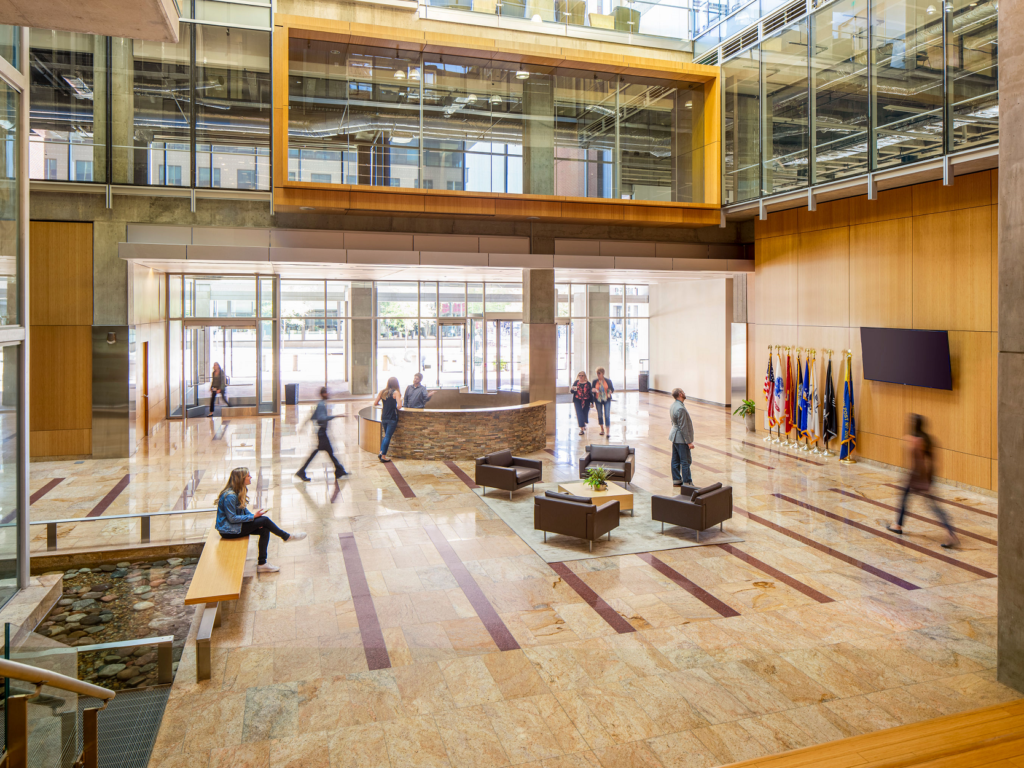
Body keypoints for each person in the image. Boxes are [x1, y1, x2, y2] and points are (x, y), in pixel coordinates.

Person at [886, 414, 959, 548]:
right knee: (910, 499)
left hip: (918, 477)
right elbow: (932, 462)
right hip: (922, 476)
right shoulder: (928, 439)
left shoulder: (913, 440)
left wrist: (922, 480)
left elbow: (918, 462)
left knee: (932, 505)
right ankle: (898, 524)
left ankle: (950, 533)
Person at [216, 467, 306, 573]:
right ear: (241, 479)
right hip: (229, 531)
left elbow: (243, 511)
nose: (251, 477)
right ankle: (286, 536)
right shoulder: (230, 496)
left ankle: (262, 563)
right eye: (248, 476)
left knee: (264, 528)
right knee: (264, 520)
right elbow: (232, 518)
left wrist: (254, 517)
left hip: (235, 527)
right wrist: (253, 518)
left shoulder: (238, 491)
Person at [296, 387, 348, 481]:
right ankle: (301, 471)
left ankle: (339, 470)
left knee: (329, 451)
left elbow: (312, 416)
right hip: (321, 432)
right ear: (323, 394)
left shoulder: (320, 404)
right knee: (324, 451)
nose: (329, 394)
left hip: (321, 432)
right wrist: (336, 415)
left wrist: (304, 425)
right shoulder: (321, 405)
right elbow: (322, 417)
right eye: (327, 393)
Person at [669, 388, 695, 488]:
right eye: (683, 392)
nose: (684, 393)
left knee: (675, 459)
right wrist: (688, 442)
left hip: (674, 436)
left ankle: (676, 480)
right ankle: (687, 482)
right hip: (681, 439)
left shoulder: (673, 405)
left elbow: (673, 422)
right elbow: (683, 427)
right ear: (680, 394)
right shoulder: (681, 408)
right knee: (685, 460)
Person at [373, 376, 402, 462]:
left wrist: (384, 406)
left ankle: (381, 452)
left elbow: (375, 403)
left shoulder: (382, 392)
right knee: (387, 436)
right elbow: (399, 406)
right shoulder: (396, 393)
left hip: (384, 417)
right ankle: (383, 456)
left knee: (386, 436)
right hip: (392, 417)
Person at [592, 367, 615, 437]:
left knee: (607, 415)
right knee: (599, 414)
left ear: (602, 374)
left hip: (606, 399)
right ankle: (602, 429)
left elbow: (612, 389)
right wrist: (593, 390)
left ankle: (608, 432)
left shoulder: (608, 381)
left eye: (599, 373)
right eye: (597, 373)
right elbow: (591, 389)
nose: (598, 375)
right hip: (598, 399)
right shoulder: (595, 381)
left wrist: (610, 391)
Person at [570, 371, 592, 436]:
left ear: (584, 376)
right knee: (579, 413)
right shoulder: (576, 383)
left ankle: (584, 422)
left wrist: (592, 402)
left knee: (585, 413)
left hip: (586, 400)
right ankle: (582, 429)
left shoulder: (588, 384)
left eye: (582, 375)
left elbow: (590, 393)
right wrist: (573, 389)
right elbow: (572, 391)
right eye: (580, 375)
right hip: (577, 400)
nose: (581, 377)